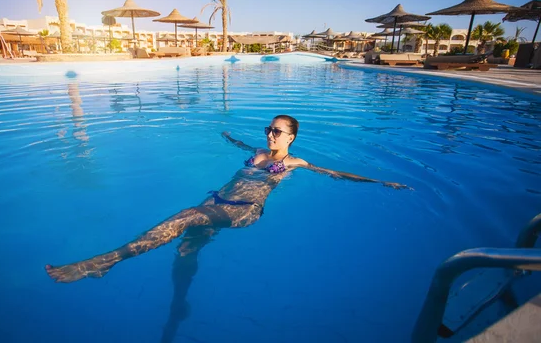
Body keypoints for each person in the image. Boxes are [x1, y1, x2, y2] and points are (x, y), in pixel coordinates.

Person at [45, 115, 410, 283]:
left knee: (185, 215)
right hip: (218, 202)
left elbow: (335, 174)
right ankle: (181, 300)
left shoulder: (295, 162)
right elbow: (239, 145)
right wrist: (225, 136)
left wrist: (380, 181)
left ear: (291, 138)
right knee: (187, 247)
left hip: (244, 211)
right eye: (268, 129)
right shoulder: (257, 150)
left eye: (278, 131)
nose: (270, 134)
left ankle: (105, 261)